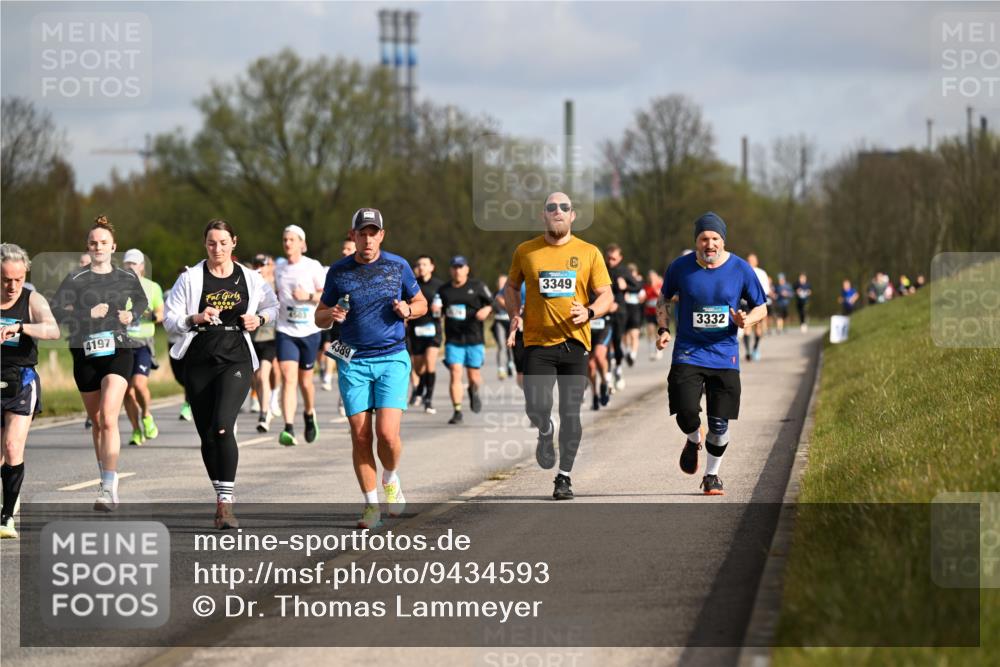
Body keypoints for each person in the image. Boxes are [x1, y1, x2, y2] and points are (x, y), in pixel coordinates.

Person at [315, 208, 427, 529]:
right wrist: (331, 314)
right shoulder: (339, 271)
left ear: (382, 235)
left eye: (372, 233)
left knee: (387, 435)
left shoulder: (397, 266)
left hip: (392, 357)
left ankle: (390, 478)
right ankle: (370, 505)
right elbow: (319, 317)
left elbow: (421, 303)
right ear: (353, 235)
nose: (367, 239)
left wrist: (408, 309)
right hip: (353, 360)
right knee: (361, 435)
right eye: (361, 233)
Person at [164, 219, 278, 529]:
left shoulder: (250, 278)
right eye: (212, 243)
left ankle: (226, 504)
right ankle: (220, 496)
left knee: (223, 427)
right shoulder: (190, 278)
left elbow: (273, 305)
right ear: (205, 244)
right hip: (199, 358)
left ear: (234, 243)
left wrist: (260, 319)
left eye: (224, 243)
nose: (218, 249)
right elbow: (170, 319)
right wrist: (195, 317)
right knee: (207, 435)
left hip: (236, 357)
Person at [505, 192, 614, 500]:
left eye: (564, 207)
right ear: (544, 214)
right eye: (551, 207)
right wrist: (514, 314)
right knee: (536, 406)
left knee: (571, 412)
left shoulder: (589, 252)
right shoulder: (526, 251)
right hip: (537, 343)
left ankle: (564, 477)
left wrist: (590, 312)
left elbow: (606, 295)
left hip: (575, 344)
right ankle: (544, 430)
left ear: (572, 215)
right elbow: (511, 286)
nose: (558, 211)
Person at [656, 212, 767, 496]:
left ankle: (711, 475)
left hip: (724, 354)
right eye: (704, 238)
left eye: (715, 238)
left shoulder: (740, 268)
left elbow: (761, 307)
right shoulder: (680, 267)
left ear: (723, 240)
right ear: (696, 241)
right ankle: (694, 438)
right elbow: (663, 299)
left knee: (719, 424)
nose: (710, 244)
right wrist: (663, 329)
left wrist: (747, 321)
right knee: (685, 411)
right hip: (688, 352)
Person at [52, 216, 148, 511]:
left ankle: (108, 486)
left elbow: (141, 302)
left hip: (119, 349)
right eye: (93, 243)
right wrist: (86, 314)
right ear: (87, 246)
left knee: (108, 417)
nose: (98, 247)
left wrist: (132, 315)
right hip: (86, 353)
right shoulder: (76, 279)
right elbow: (56, 311)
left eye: (103, 243)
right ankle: (106, 476)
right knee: (96, 421)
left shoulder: (127, 277)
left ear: (113, 247)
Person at [0, 244, 60, 538]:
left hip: (21, 380)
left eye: (18, 279)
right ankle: (10, 494)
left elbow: (53, 330)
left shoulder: (32, 299)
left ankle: (6, 518)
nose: (12, 286)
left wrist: (21, 327)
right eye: (5, 280)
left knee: (12, 447)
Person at [273, 225, 328, 447]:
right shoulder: (278, 269)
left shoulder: (312, 266)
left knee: (305, 382)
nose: (287, 243)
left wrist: (307, 296)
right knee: (288, 377)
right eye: (284, 239)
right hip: (285, 330)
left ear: (301, 243)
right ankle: (288, 427)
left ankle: (309, 413)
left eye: (292, 240)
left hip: (309, 330)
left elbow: (326, 297)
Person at [436, 256, 493, 425]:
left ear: (467, 269)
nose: (457, 270)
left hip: (474, 338)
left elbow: (493, 303)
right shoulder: (443, 290)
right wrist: (436, 310)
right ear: (450, 270)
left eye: (460, 267)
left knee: (474, 376)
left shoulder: (478, 286)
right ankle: (457, 411)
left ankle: (473, 391)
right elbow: (438, 310)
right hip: (453, 339)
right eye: (454, 267)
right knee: (455, 372)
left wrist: (487, 310)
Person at [121, 249, 164, 446]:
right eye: (127, 264)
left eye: (134, 263)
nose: (130, 267)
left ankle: (146, 415)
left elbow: (161, 313)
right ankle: (136, 430)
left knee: (139, 385)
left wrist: (149, 315)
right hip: (123, 343)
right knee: (126, 391)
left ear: (141, 267)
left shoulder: (152, 287)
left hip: (143, 343)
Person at [406, 255, 444, 414]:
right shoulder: (411, 285)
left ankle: (428, 399)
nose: (421, 267)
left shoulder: (440, 286)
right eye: (419, 264)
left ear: (432, 267)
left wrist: (440, 310)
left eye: (424, 264)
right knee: (418, 368)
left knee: (430, 362)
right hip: (415, 330)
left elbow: (447, 306)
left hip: (433, 330)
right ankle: (420, 386)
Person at [320, 238, 357, 394]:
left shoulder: (368, 271)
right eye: (343, 248)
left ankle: (344, 395)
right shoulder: (336, 271)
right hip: (338, 324)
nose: (344, 251)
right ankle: (328, 378)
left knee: (350, 365)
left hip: (360, 328)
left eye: (348, 249)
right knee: (338, 357)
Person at [604, 244, 640, 390]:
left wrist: (626, 287)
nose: (611, 261)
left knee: (617, 341)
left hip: (620, 311)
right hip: (603, 311)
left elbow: (637, 286)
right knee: (604, 344)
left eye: (614, 259)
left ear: (620, 258)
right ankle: (607, 374)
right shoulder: (602, 268)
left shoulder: (624, 271)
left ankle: (618, 368)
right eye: (609, 258)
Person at [250, 254, 278, 432]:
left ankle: (264, 414)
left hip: (270, 337)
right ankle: (264, 406)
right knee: (255, 379)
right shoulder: (250, 283)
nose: (259, 268)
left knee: (262, 375)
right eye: (256, 264)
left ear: (270, 266)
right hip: (252, 338)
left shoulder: (276, 284)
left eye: (263, 264)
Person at [744, 253, 771, 361]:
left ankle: (754, 348)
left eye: (752, 260)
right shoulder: (743, 271)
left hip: (756, 303)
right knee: (748, 326)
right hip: (747, 303)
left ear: (756, 262)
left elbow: (766, 289)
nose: (750, 262)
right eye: (749, 260)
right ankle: (749, 351)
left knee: (756, 327)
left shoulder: (761, 273)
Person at [491, 274, 516, 379]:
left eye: (504, 282)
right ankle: (501, 368)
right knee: (501, 345)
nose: (502, 285)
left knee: (510, 344)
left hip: (510, 322)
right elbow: (492, 307)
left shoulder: (513, 293)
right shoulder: (494, 296)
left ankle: (510, 363)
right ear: (497, 284)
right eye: (500, 283)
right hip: (499, 321)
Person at [643, 270, 663, 360]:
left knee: (658, 332)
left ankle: (658, 351)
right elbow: (644, 298)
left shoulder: (660, 285)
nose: (651, 278)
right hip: (649, 312)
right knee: (650, 331)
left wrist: (655, 286)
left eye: (653, 277)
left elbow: (661, 295)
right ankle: (651, 351)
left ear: (656, 277)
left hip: (659, 312)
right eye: (650, 277)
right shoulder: (646, 287)